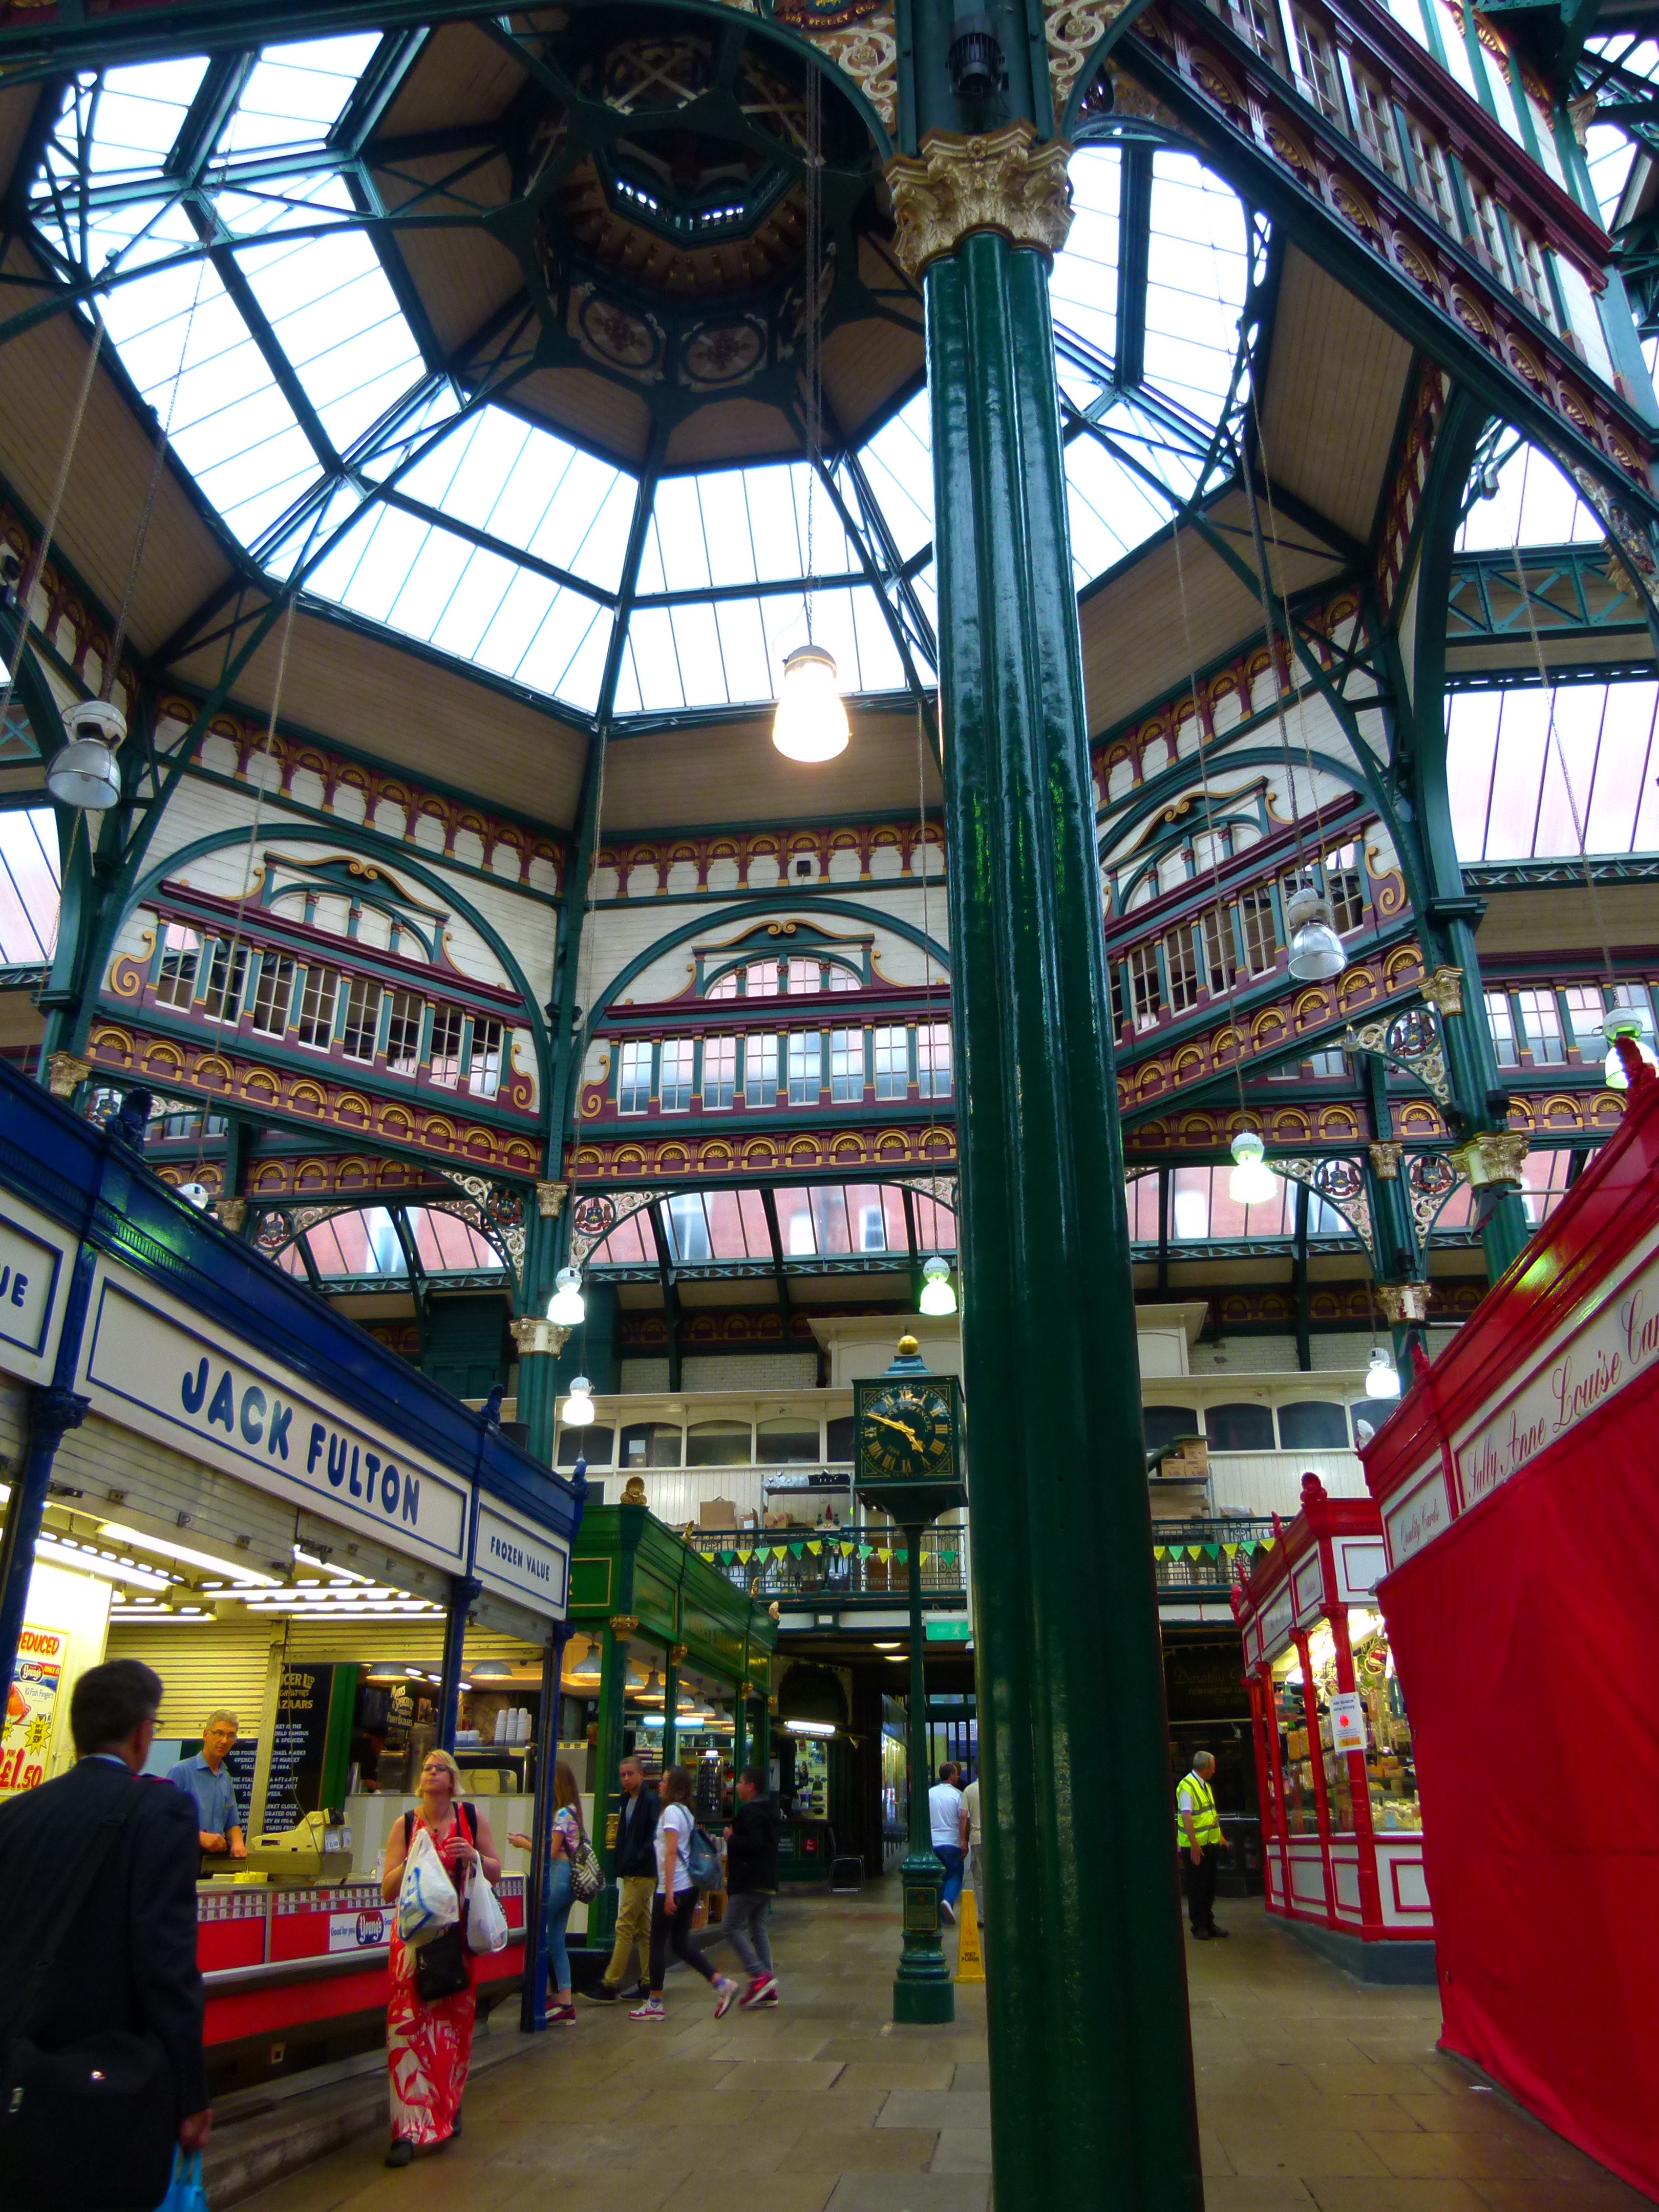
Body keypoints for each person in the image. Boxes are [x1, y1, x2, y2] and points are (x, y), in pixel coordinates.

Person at [0, 1659, 208, 2212]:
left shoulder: (15, 1817)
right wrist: (192, 2093)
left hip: (19, 2090)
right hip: (112, 2093)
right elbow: (166, 1966)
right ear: (142, 1733)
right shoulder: (162, 1810)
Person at [380, 1747, 502, 2165]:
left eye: (439, 1769)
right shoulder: (405, 1824)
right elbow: (388, 1889)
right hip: (412, 1945)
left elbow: (495, 1870)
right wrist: (415, 1857)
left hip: (456, 1942)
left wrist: (475, 1857)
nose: (431, 1773)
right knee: (406, 2031)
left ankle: (448, 2105)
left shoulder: (471, 1818)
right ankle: (405, 2132)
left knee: (451, 2030)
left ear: (452, 1779)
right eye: (427, 1768)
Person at [631, 1764, 739, 2022]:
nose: (660, 1785)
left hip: (673, 1886)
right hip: (689, 1886)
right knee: (680, 1943)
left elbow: (671, 1852)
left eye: (665, 1781)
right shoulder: (686, 1812)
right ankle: (721, 1983)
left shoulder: (671, 1812)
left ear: (676, 1788)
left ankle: (655, 2003)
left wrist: (668, 1892)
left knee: (657, 1943)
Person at [691, 1764, 779, 2007]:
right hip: (767, 1880)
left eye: (740, 1782)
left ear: (751, 1786)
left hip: (750, 1880)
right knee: (758, 1928)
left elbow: (754, 1845)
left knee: (729, 1926)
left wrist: (731, 1838)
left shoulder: (751, 1813)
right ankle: (768, 1987)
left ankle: (759, 1975)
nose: (737, 1786)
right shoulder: (768, 1810)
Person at [508, 1761, 583, 2026]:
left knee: (537, 1931)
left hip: (559, 1877)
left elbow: (550, 1853)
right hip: (571, 1880)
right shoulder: (573, 1811)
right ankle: (566, 2001)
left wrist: (523, 1844)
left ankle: (545, 1993)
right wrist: (531, 1839)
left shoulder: (562, 1813)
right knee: (556, 1940)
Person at [584, 1752, 657, 2002]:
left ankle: (611, 1982)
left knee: (624, 1925)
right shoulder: (626, 1800)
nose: (626, 1779)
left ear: (642, 1775)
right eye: (623, 1775)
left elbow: (653, 1836)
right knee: (643, 1930)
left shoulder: (650, 1801)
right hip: (632, 1870)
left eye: (630, 1774)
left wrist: (636, 1858)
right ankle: (648, 1981)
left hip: (642, 1872)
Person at [167, 1708, 246, 1867]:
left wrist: (238, 1844)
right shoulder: (182, 1771)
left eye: (231, 1735)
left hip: (214, 1861)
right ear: (205, 1735)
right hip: (183, 1859)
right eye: (219, 1733)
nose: (224, 1740)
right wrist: (199, 1837)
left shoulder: (225, 1777)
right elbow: (164, 1821)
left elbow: (232, 1822)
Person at [1177, 1749, 1229, 1941]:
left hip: (1209, 1843)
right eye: (1213, 1767)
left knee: (1209, 1885)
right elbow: (1186, 1817)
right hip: (1196, 1846)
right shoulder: (1187, 1786)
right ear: (1205, 1768)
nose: (1214, 1771)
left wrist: (1220, 1837)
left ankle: (1208, 1922)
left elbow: (1210, 1814)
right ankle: (1199, 1926)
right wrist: (1194, 1846)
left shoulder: (1205, 1785)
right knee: (1197, 1886)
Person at [928, 1759, 965, 1923]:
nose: (958, 1777)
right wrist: (963, 1840)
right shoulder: (957, 1795)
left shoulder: (930, 1793)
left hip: (933, 1842)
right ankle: (948, 1901)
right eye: (956, 1774)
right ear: (951, 1775)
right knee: (955, 1875)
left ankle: (940, 1913)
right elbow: (963, 1817)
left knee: (939, 1877)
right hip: (952, 1842)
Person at [958, 1768, 984, 1939]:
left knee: (980, 1880)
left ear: (975, 1772)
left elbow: (963, 1816)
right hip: (996, 1839)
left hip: (977, 1838)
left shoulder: (970, 1790)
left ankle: (983, 1916)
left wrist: (963, 1839)